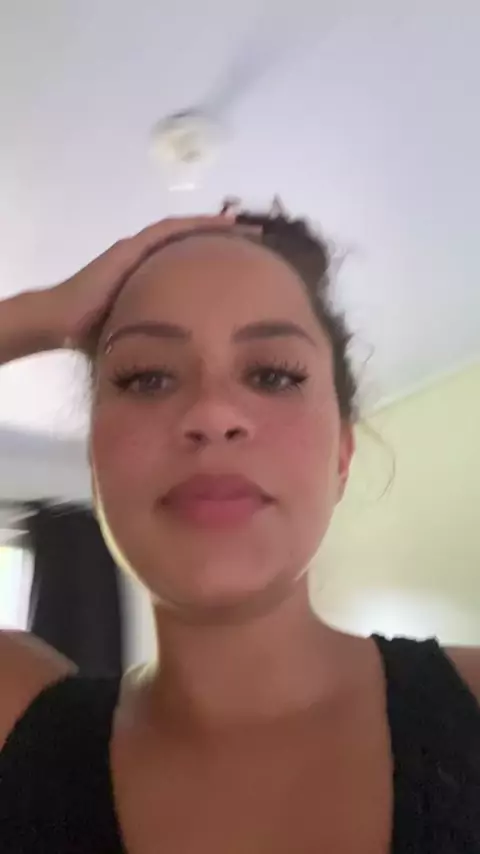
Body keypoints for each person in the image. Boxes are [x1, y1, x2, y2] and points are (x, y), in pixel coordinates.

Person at [0, 207, 479, 853]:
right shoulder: (18, 726)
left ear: (341, 456)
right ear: (95, 461)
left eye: (273, 374)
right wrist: (45, 313)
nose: (212, 412)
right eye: (147, 377)